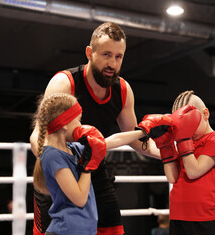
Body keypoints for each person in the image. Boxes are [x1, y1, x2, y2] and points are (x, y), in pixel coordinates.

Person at [29, 22, 160, 235]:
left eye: (119, 57)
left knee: (113, 229)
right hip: (59, 169)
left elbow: (134, 140)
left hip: (92, 165)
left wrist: (170, 152)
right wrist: (56, 161)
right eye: (106, 54)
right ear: (90, 53)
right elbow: (38, 135)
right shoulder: (65, 83)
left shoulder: (123, 90)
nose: (113, 63)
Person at [32, 93, 146, 234]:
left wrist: (145, 131)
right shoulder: (52, 156)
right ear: (65, 124)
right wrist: (87, 167)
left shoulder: (74, 149)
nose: (80, 124)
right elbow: (79, 198)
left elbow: (112, 141)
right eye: (78, 120)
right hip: (65, 231)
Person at [140, 90, 215, 235]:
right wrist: (166, 146)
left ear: (205, 114)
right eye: (181, 125)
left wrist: (183, 138)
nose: (187, 129)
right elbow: (172, 178)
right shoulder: (185, 143)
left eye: (190, 123)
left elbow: (194, 171)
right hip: (177, 214)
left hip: (205, 217)